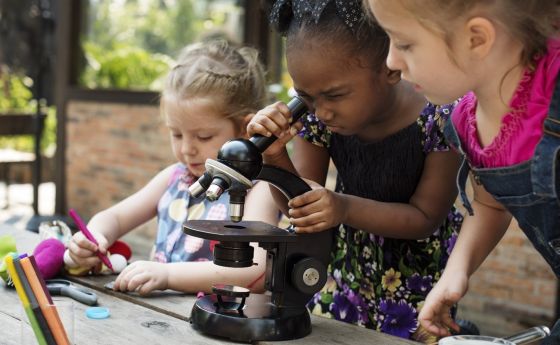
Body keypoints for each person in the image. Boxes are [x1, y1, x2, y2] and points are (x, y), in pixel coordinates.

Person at [247, 0, 463, 341]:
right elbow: (299, 207)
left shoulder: (440, 118)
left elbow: (426, 217)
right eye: (306, 97)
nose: (321, 111)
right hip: (340, 273)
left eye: (334, 95)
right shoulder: (317, 116)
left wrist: (343, 206)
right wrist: (275, 159)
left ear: (391, 68)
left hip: (417, 285)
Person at [366, 0, 560, 342]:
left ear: (476, 38)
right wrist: (456, 271)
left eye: (405, 44)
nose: (391, 62)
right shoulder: (465, 122)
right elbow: (490, 202)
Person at [67, 40, 279, 295]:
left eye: (203, 137)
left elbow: (253, 271)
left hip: (221, 322)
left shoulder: (259, 189)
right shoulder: (175, 177)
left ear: (245, 129)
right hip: (161, 319)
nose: (187, 149)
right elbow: (115, 217)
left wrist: (167, 275)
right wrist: (94, 238)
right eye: (176, 134)